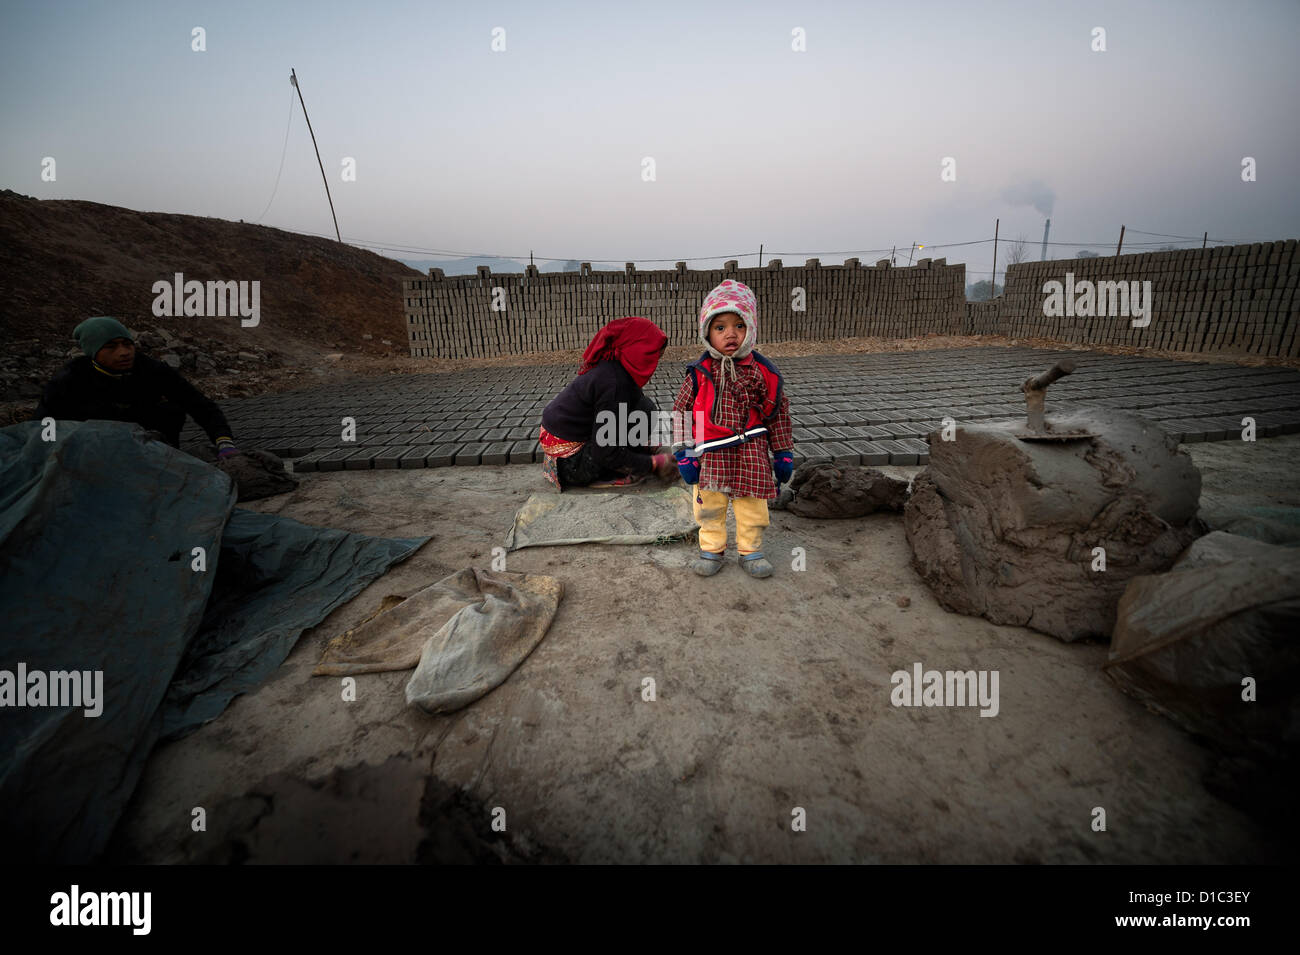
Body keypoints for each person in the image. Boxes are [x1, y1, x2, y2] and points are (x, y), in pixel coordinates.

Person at [671, 280, 794, 578]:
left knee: (752, 503)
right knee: (709, 505)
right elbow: (680, 413)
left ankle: (750, 550)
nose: (731, 334)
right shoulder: (699, 374)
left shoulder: (764, 373)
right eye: (720, 327)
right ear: (707, 332)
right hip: (710, 453)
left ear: (750, 330)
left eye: (739, 325)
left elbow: (778, 414)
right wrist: (683, 453)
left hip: (751, 449)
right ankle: (712, 549)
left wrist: (782, 452)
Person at [34, 316, 240, 457]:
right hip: (96, 449)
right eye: (111, 347)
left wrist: (223, 441)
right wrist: (48, 456)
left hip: (152, 448)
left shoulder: (152, 370)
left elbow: (200, 405)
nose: (124, 352)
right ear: (93, 352)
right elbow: (45, 422)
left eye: (127, 344)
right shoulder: (70, 379)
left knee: (170, 410)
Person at [539, 316, 678, 490]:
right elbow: (605, 452)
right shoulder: (613, 383)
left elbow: (627, 409)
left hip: (582, 437)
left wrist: (644, 447)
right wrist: (653, 464)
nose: (655, 362)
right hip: (571, 463)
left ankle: (628, 455)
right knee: (612, 451)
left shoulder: (616, 367)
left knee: (645, 408)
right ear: (638, 350)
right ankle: (610, 474)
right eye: (653, 354)